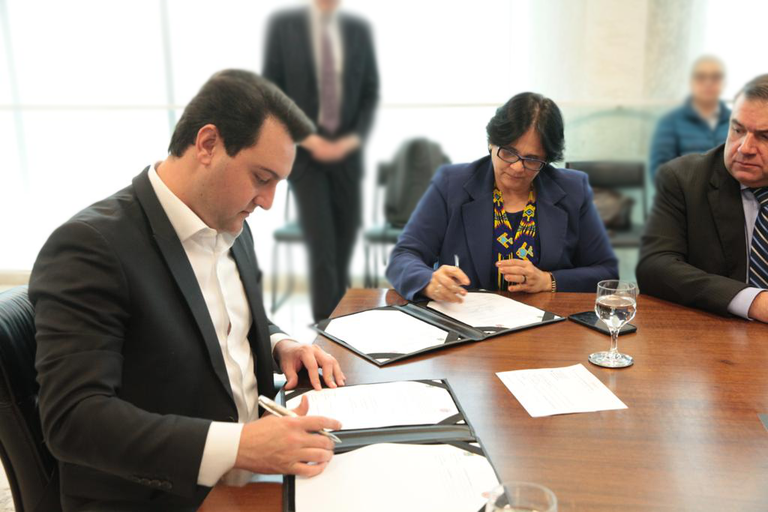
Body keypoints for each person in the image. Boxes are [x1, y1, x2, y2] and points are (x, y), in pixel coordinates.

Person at [29, 70, 347, 511]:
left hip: (254, 469)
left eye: (278, 183)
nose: (268, 201)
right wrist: (239, 446)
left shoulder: (231, 221)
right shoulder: (90, 247)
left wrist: (279, 343)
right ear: (208, 144)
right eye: (262, 177)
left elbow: (218, 320)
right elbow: (73, 418)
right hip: (161, 495)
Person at [386, 92, 619, 303]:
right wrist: (428, 281)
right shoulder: (451, 184)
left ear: (547, 159)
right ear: (491, 142)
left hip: (547, 324)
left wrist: (548, 281)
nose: (517, 167)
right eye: (508, 152)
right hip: (467, 320)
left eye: (532, 159)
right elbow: (404, 256)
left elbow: (607, 272)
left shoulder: (573, 189)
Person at [263, 0, 379, 321]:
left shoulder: (358, 30)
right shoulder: (284, 27)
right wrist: (309, 139)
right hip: (306, 159)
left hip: (348, 158)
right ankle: (327, 334)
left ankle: (337, 325)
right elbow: (272, 93)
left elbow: (369, 94)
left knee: (344, 246)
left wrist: (349, 142)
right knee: (323, 252)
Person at [637, 74, 768, 322]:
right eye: (738, 130)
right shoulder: (683, 179)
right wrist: (754, 301)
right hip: (713, 332)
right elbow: (654, 267)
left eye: (765, 137)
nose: (744, 148)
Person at [649, 56, 731, 179]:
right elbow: (660, 171)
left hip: (729, 190)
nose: (708, 83)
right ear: (691, 82)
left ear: (724, 82)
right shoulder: (670, 122)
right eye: (701, 77)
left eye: (715, 77)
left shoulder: (736, 122)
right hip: (684, 190)